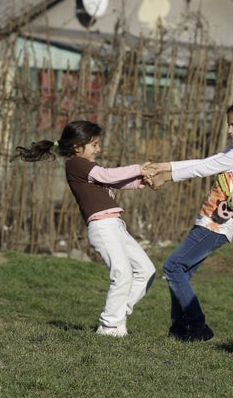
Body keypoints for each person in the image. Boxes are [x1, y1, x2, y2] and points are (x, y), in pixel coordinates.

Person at [12, 120, 156, 338]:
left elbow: (114, 183)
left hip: (116, 225)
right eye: (94, 144)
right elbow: (108, 176)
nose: (98, 149)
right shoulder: (76, 164)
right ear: (77, 146)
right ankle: (109, 327)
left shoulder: (88, 169)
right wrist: (138, 168)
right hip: (102, 226)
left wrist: (141, 181)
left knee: (146, 271)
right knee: (122, 273)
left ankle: (117, 314)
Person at [145, 100, 233, 342]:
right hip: (211, 222)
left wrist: (166, 177)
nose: (230, 131)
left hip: (215, 224)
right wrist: (164, 166)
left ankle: (197, 326)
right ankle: (180, 331)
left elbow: (204, 168)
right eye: (228, 125)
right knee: (182, 272)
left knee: (173, 267)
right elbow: (206, 162)